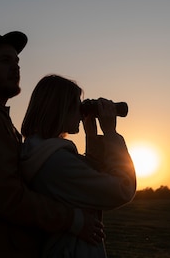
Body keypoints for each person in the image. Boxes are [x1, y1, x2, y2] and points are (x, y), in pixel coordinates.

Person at [0, 32, 104, 258]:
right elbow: (6, 197)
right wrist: (73, 220)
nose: (16, 67)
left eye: (17, 61)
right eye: (5, 61)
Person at [20, 74, 137, 257]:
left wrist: (91, 135)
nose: (81, 111)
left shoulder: (41, 151)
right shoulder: (55, 161)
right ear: (59, 108)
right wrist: (111, 134)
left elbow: (89, 177)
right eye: (76, 105)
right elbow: (122, 189)